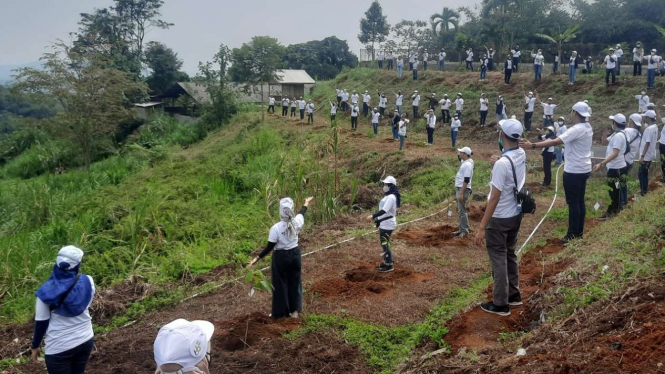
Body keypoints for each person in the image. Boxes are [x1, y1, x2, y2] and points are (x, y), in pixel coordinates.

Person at [474, 119, 526, 316]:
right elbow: (509, 166)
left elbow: (494, 198)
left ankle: (500, 303)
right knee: (509, 254)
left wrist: (481, 227)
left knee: (498, 258)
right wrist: (499, 161)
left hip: (499, 218)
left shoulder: (502, 165)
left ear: (502, 136)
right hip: (515, 214)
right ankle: (514, 296)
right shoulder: (520, 154)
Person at [521, 102, 593, 243]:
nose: (571, 114)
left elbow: (555, 141)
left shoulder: (575, 129)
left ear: (576, 113)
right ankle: (579, 232)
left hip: (574, 171)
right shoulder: (588, 127)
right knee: (579, 201)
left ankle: (572, 234)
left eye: (572, 111)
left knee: (573, 203)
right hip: (584, 168)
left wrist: (533, 145)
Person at [31, 246, 96, 374]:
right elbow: (85, 304)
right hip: (85, 338)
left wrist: (35, 346)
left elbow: (41, 323)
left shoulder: (44, 293)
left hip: (59, 348)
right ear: (77, 265)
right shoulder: (88, 281)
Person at [248, 196, 314, 318]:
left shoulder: (276, 228)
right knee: (295, 282)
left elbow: (269, 247)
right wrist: (306, 202)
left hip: (281, 257)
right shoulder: (297, 222)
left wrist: (256, 258)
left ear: (280, 211)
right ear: (292, 209)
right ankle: (294, 311)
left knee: (280, 284)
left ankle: (280, 313)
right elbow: (302, 212)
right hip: (295, 255)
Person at [594, 114, 628, 220]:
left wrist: (601, 164)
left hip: (615, 168)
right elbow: (606, 142)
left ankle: (612, 211)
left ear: (615, 123)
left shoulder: (618, 136)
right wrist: (604, 135)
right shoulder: (618, 134)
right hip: (617, 167)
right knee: (615, 190)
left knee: (613, 190)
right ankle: (616, 209)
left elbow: (615, 153)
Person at [366, 176, 400, 273]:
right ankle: (386, 262)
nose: (384, 186)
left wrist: (372, 216)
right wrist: (378, 222)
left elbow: (384, 211)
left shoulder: (391, 197)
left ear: (390, 186)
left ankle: (389, 265)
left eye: (386, 184)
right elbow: (383, 211)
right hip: (384, 224)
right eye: (384, 184)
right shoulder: (387, 196)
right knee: (384, 244)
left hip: (388, 224)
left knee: (385, 244)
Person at [621, 114, 642, 207]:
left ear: (632, 121)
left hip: (622, 161)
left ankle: (620, 202)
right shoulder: (639, 133)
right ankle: (624, 201)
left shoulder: (627, 131)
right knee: (624, 182)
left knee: (618, 182)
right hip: (630, 161)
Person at [454, 147, 474, 237]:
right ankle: (461, 229)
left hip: (463, 189)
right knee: (460, 210)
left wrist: (461, 193)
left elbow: (466, 179)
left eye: (461, 152)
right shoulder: (466, 162)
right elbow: (460, 159)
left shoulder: (468, 165)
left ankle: (464, 230)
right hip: (460, 188)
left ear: (465, 154)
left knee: (462, 211)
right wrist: (459, 154)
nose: (459, 154)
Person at [638, 110, 659, 195]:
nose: (644, 118)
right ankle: (644, 191)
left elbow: (647, 142)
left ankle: (643, 192)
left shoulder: (649, 129)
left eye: (645, 117)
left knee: (642, 175)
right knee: (643, 173)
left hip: (646, 156)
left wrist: (642, 156)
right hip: (650, 154)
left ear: (648, 118)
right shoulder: (655, 127)